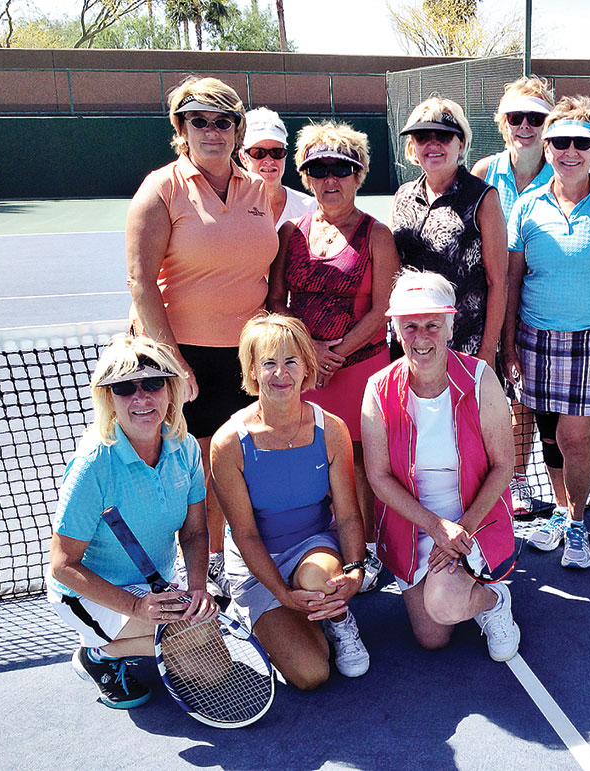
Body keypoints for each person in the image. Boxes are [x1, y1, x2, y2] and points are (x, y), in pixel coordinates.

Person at [125, 76, 278, 598]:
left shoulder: (261, 190)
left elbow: (261, 273)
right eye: (199, 121)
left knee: (235, 464)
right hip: (185, 359)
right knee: (196, 473)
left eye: (222, 121)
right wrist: (173, 362)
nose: (211, 131)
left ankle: (228, 561)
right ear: (181, 128)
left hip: (247, 358)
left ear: (237, 129)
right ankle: (203, 570)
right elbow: (141, 281)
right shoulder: (161, 187)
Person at [47, 335, 218, 709]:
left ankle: (141, 638)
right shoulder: (93, 465)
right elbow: (62, 566)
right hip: (88, 593)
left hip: (153, 582)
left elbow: (194, 531)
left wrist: (198, 587)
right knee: (189, 647)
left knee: (212, 668)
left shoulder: (186, 448)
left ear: (171, 389)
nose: (141, 398)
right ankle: (98, 654)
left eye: (153, 383)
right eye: (125, 387)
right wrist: (136, 607)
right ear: (108, 398)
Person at [361, 269, 520, 662]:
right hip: (413, 524)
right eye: (410, 326)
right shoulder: (377, 389)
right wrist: (435, 527)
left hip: (473, 521)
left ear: (450, 327)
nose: (421, 337)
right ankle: (464, 589)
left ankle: (494, 599)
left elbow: (504, 465)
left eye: (432, 325)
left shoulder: (482, 379)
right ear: (396, 331)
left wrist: (459, 530)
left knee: (445, 607)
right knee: (433, 637)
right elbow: (378, 477)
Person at [267, 121, 399, 593]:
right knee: (310, 461)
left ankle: (366, 554)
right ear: (306, 176)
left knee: (361, 464)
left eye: (341, 169)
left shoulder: (377, 235)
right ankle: (319, 549)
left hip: (359, 371)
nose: (330, 180)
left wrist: (334, 354)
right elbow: (276, 300)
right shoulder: (291, 234)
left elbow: (383, 307)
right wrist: (309, 353)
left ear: (359, 174)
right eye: (319, 170)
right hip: (303, 372)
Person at [505, 96, 590, 570]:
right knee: (550, 437)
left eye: (582, 143)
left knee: (575, 438)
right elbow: (513, 281)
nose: (570, 151)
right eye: (560, 142)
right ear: (546, 145)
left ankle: (577, 521)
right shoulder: (525, 207)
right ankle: (562, 510)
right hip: (535, 340)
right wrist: (508, 344)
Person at [210, 314, 370, 688]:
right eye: (269, 363)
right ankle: (279, 614)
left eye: (291, 361)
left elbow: (347, 516)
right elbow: (246, 535)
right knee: (312, 673)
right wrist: (282, 595)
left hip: (312, 548)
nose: (280, 373)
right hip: (256, 564)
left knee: (320, 579)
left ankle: (338, 619)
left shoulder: (331, 430)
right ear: (252, 370)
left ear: (306, 369)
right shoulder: (228, 443)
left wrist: (356, 569)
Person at [470, 76, 555, 521]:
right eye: (516, 117)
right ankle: (480, 477)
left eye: (536, 118)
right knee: (485, 394)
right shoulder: (484, 172)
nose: (526, 126)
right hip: (484, 301)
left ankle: (519, 478)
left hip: (538, 301)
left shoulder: (566, 169)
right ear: (504, 124)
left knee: (521, 394)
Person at [391, 97, 508, 364]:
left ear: (461, 143)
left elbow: (498, 282)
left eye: (443, 136)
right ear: (413, 146)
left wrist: (488, 351)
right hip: (413, 345)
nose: (433, 144)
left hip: (466, 345)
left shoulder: (482, 198)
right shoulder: (402, 196)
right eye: (422, 136)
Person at [238, 106, 316, 229]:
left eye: (277, 152)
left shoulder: (309, 208)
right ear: (243, 158)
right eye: (258, 153)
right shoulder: (230, 209)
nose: (269, 161)